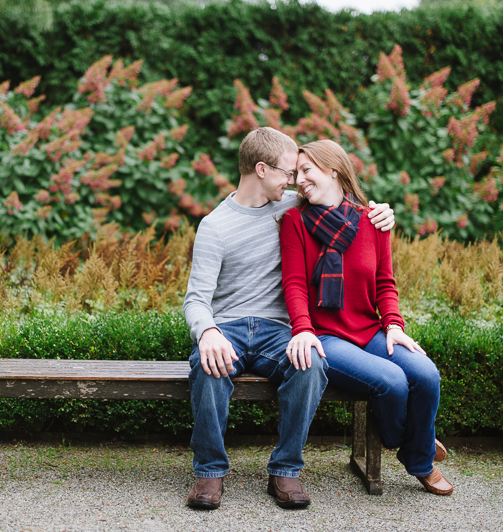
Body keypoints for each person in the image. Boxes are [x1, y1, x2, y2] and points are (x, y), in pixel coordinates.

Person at [183, 127, 396, 510]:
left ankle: (286, 470)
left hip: (277, 332)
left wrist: (381, 212)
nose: (296, 182)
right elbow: (196, 299)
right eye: (288, 172)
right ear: (261, 169)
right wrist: (208, 331)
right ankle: (209, 473)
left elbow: (344, 207)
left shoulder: (293, 210)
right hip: (227, 327)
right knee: (208, 364)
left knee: (311, 362)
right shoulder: (214, 227)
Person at [279, 139, 452, 496]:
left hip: (370, 330)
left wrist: (394, 325)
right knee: (392, 380)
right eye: (296, 173)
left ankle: (416, 444)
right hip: (324, 336)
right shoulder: (295, 221)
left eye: (306, 170)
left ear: (334, 170)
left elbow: (385, 283)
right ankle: (419, 455)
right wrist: (302, 329)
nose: (299, 180)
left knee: (426, 374)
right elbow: (294, 284)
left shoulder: (371, 221)